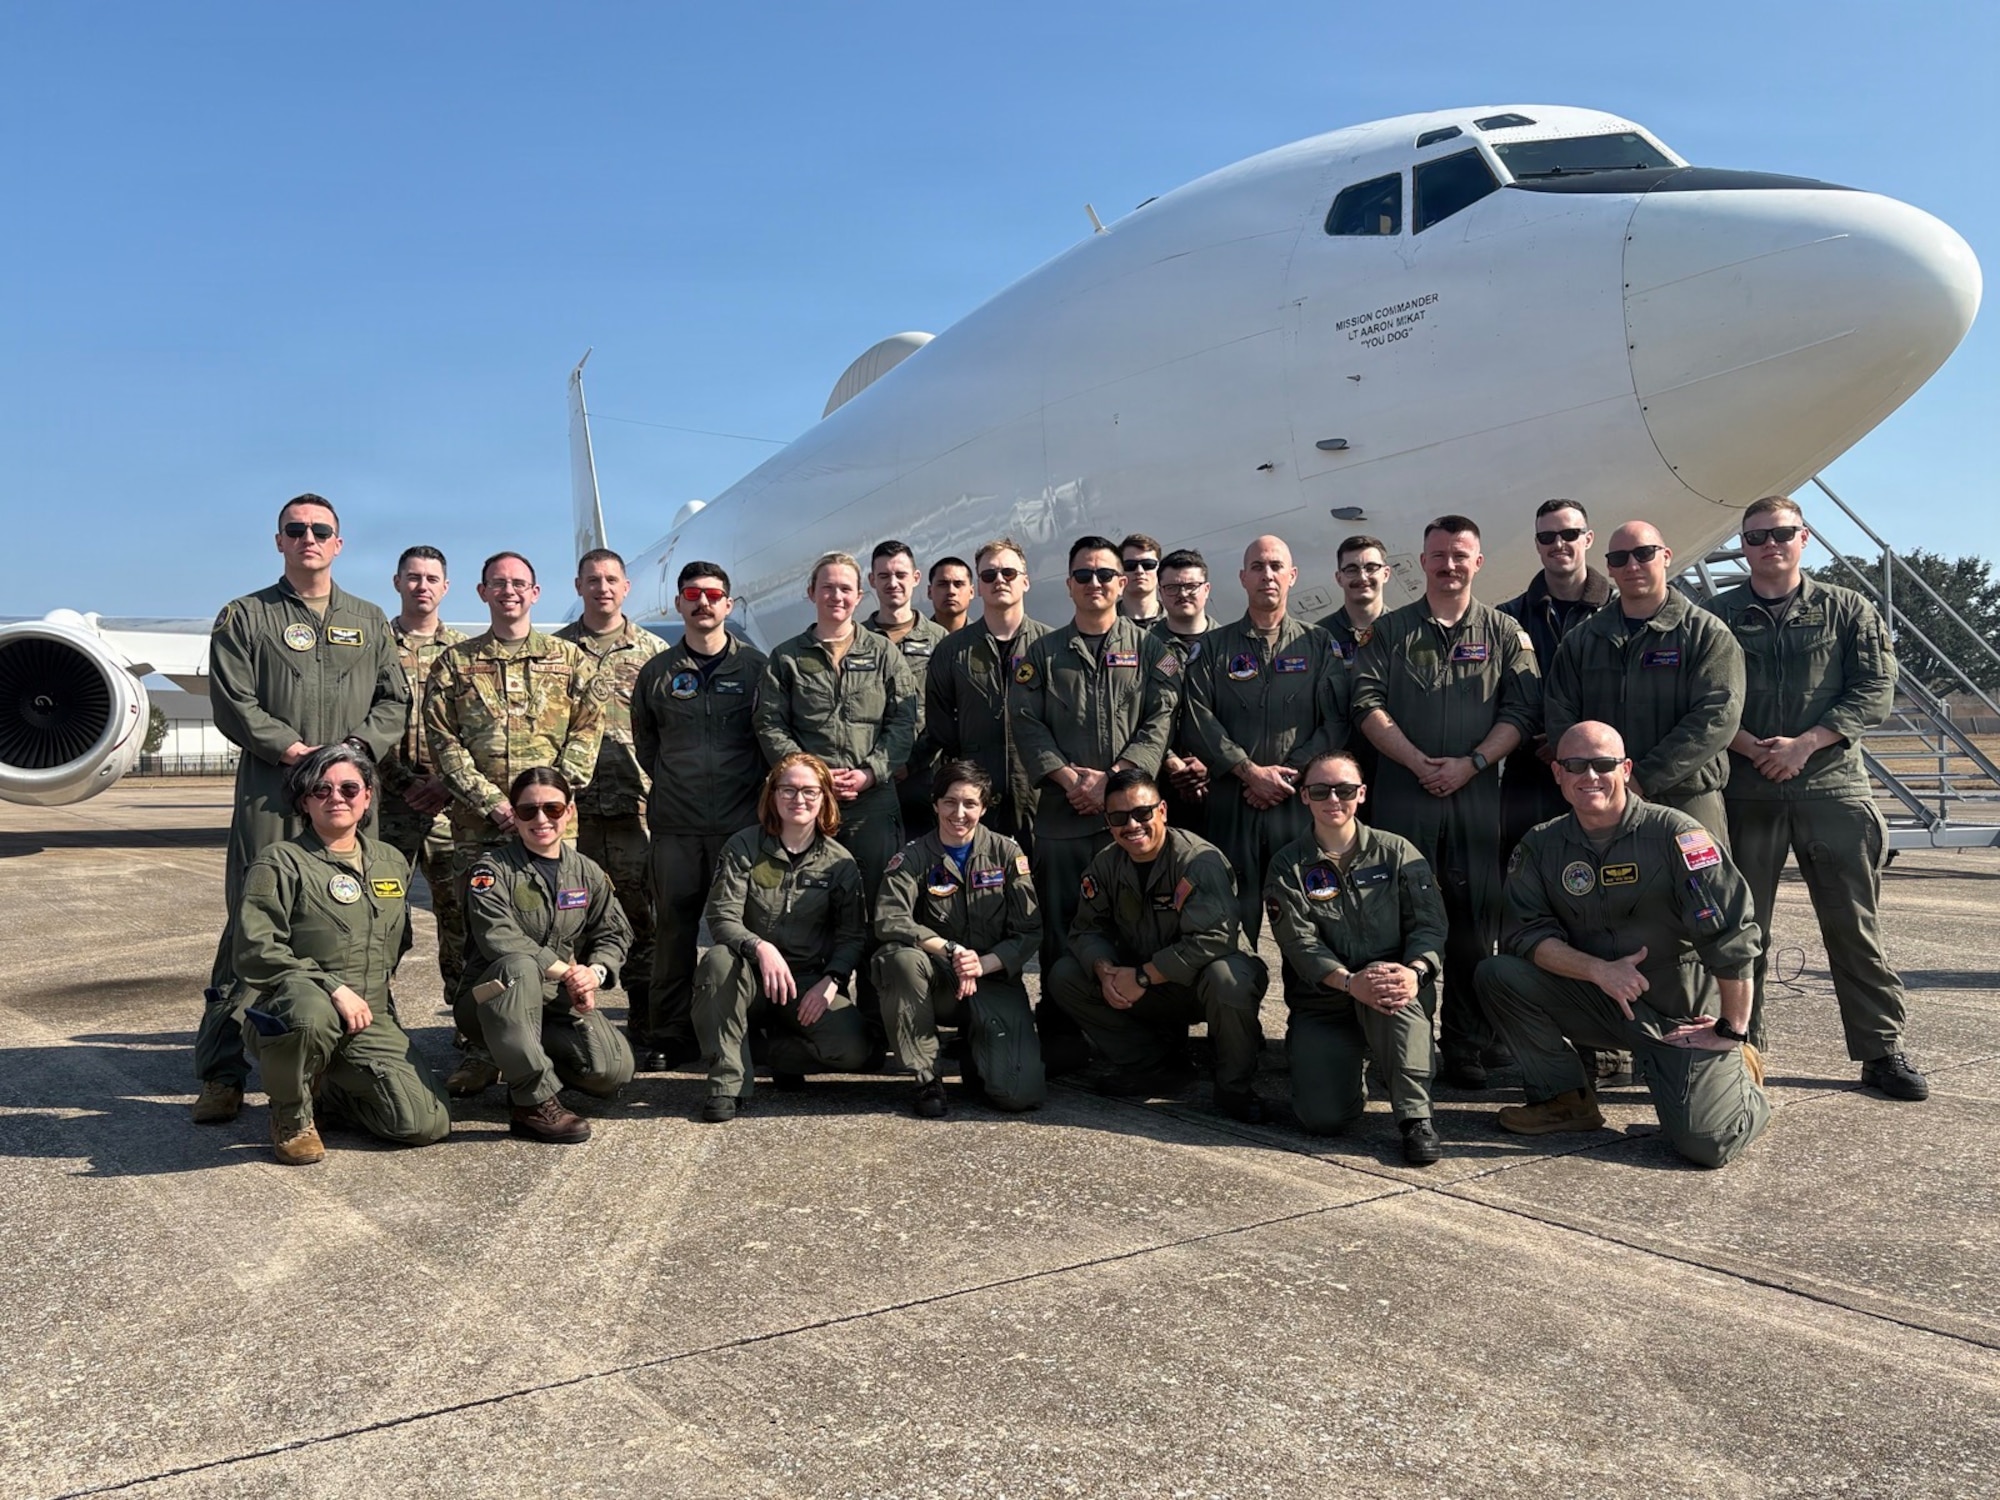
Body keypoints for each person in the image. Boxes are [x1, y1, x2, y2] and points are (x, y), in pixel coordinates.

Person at [193, 494, 408, 1125]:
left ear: (339, 543)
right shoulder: (245, 616)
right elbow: (233, 698)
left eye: (321, 530)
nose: (308, 537)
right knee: (249, 927)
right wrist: (292, 749)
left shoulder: (369, 621)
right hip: (273, 790)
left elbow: (395, 698)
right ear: (279, 540)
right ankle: (222, 1072)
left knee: (357, 919)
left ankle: (351, 1054)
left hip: (346, 794)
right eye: (297, 529)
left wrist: (357, 750)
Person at [1706, 497, 1928, 1099]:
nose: (1769, 544)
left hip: (1830, 785)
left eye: (1781, 533)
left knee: (1853, 924)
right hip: (1748, 787)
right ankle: (1741, 1040)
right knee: (1743, 926)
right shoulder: (1717, 614)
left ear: (1804, 537)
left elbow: (1875, 688)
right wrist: (1754, 748)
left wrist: (1805, 744)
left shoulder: (1846, 608)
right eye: (1756, 537)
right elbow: (1702, 695)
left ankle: (1881, 1048)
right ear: (1744, 546)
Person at [1475, 723, 1772, 1168]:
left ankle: (1741, 1072)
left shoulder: (1677, 835)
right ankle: (1565, 1099)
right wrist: (1599, 970)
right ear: (1557, 772)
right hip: (1601, 1001)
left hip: (1679, 1016)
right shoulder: (1542, 845)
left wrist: (1731, 1028)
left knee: (1707, 1143)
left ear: (1626, 768)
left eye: (1603, 764)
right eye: (1575, 765)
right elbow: (1525, 934)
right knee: (1499, 974)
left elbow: (1733, 934)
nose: (1589, 776)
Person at [1354, 515, 1541, 1090]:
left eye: (1461, 555)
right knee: (1397, 923)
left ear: (1477, 562)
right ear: (1423, 562)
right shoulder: (1389, 632)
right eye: (1439, 555)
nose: (1450, 564)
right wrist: (1415, 761)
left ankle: (1467, 1045)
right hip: (1404, 799)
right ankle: (1402, 1045)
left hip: (1476, 799)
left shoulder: (1506, 632)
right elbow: (1365, 701)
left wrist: (1474, 762)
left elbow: (1522, 710)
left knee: (1471, 926)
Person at [424, 551, 608, 1095]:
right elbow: (445, 745)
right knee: (474, 939)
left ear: (536, 592)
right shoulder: (454, 665)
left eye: (519, 584)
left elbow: (586, 736)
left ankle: (552, 1037)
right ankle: (481, 1046)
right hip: (479, 829)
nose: (509, 591)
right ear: (481, 593)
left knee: (555, 933)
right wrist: (495, 805)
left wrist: (547, 806)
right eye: (498, 584)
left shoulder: (571, 661)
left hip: (552, 830)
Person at [235, 744, 451, 1164]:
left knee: (424, 1124)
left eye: (350, 788)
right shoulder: (281, 862)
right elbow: (255, 949)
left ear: (367, 797)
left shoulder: (390, 860)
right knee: (307, 1013)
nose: (337, 797)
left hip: (367, 1013)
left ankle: (328, 1087)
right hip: (300, 1008)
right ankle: (290, 1114)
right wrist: (332, 986)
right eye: (321, 789)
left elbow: (395, 940)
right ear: (304, 800)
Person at [1012, 535, 1182, 1067]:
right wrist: (1069, 781)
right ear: (1068, 585)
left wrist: (1109, 781)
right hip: (1064, 817)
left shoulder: (1154, 651)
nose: (1095, 584)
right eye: (1083, 575)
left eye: (1105, 574)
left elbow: (1160, 720)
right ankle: (1062, 1033)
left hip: (1130, 820)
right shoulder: (1039, 653)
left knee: (1139, 925)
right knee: (1064, 926)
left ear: (1123, 582)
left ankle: (1148, 1033)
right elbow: (1026, 723)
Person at [1046, 769, 1270, 1121]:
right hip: (1147, 983)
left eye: (1142, 813)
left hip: (1201, 982)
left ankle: (1234, 1087)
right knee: (1066, 975)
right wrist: (1106, 972)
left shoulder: (1198, 861)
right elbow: (1086, 931)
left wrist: (1144, 976)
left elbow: (1214, 939)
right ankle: (1154, 1065)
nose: (1132, 825)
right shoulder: (1106, 864)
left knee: (1229, 978)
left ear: (1162, 810)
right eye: (1119, 817)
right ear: (1108, 821)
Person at [1264, 752, 1446, 1165]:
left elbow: (1430, 927)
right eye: (1320, 790)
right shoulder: (1288, 866)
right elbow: (1300, 945)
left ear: (1361, 794)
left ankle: (1416, 1118)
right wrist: (1349, 982)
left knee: (1392, 992)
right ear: (1304, 797)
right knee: (1323, 1119)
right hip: (1325, 1001)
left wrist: (1416, 971)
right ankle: (1346, 1065)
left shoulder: (1396, 852)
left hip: (1390, 990)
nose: (1334, 798)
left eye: (1344, 789)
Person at [629, 561, 768, 1072]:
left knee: (745, 928)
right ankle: (670, 1033)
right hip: (677, 826)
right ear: (679, 604)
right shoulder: (657, 674)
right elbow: (648, 745)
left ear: (728, 605)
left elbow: (766, 741)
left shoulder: (756, 669)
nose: (703, 602)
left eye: (714, 594)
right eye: (693, 594)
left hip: (741, 826)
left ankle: (747, 1027)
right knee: (675, 932)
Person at [1181, 534, 1348, 942]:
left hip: (1297, 805)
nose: (1267, 575)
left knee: (1308, 920)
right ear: (1242, 578)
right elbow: (1196, 718)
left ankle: (1312, 1004)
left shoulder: (1319, 644)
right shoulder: (1213, 648)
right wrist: (1248, 772)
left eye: (1276, 567)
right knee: (1226, 923)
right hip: (1231, 803)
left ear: (1292, 576)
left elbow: (1336, 721)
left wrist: (1289, 775)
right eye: (1257, 567)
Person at [455, 767, 636, 1143]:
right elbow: (498, 938)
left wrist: (595, 972)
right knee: (520, 965)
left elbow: (615, 931)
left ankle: (520, 1063)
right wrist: (565, 973)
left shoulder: (585, 871)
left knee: (611, 1069)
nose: (541, 819)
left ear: (569, 811)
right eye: (528, 811)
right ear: (514, 815)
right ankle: (532, 1102)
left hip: (551, 999)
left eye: (552, 809)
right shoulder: (491, 872)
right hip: (488, 999)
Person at [692, 753, 872, 1120]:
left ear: (825, 798)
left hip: (804, 981)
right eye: (787, 790)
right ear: (772, 796)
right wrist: (759, 947)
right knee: (717, 960)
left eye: (809, 791)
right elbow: (721, 917)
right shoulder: (743, 847)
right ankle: (726, 1085)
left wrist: (832, 980)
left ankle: (766, 1051)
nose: (798, 799)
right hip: (747, 975)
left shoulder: (840, 862)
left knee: (855, 1050)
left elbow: (853, 935)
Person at [1544, 520, 1742, 840]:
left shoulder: (1707, 635)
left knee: (1703, 887)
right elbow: (1559, 713)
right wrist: (1598, 776)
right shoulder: (1582, 641)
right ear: (1609, 568)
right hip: (1604, 798)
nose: (1632, 565)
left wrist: (1642, 779)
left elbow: (1716, 718)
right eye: (1619, 558)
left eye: (1644, 553)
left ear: (1666, 556)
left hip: (1686, 797)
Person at [873, 760, 1044, 1116]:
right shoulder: (913, 857)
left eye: (970, 803)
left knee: (1019, 1096)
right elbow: (890, 919)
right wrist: (950, 950)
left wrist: (981, 964)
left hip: (993, 979)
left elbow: (1028, 931)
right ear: (935, 804)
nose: (959, 813)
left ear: (984, 807)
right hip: (940, 982)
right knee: (898, 959)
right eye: (950, 801)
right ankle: (926, 1079)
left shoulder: (1007, 854)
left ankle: (975, 1050)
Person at [556, 548, 666, 1027]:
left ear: (626, 588)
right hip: (569, 811)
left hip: (634, 806)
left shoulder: (654, 654)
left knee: (641, 912)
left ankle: (644, 1010)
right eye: (592, 579)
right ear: (578, 586)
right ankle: (571, 1011)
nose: (602, 587)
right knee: (568, 914)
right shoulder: (555, 652)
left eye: (611, 580)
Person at [1497, 501, 1612, 863]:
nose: (1558, 543)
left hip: (1600, 772)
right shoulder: (1507, 619)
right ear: (1537, 544)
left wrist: (1569, 740)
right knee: (1525, 876)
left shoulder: (1618, 614)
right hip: (1530, 771)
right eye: (1547, 536)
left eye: (1569, 534)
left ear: (1588, 538)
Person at [376, 545, 467, 992]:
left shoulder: (464, 654)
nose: (422, 586)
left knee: (459, 914)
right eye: (413, 577)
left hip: (447, 809)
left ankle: (466, 1012)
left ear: (445, 588)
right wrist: (404, 782)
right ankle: (375, 1007)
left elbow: (472, 729)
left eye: (432, 579)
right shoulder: (374, 648)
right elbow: (363, 722)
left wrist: (443, 784)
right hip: (387, 807)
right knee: (384, 911)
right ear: (397, 583)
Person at [926, 538, 1052, 845]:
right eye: (988, 575)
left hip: (1041, 797)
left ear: (1025, 581)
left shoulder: (1051, 647)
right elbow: (941, 729)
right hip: (975, 801)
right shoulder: (952, 651)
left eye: (1008, 573)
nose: (999, 580)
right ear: (978, 587)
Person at [862, 540, 952, 839]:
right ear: (872, 580)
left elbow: (948, 710)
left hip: (926, 778)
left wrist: (910, 763)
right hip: (870, 778)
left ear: (915, 578)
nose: (893, 583)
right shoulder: (856, 640)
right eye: (884, 576)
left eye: (900, 575)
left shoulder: (941, 641)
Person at [1315, 534, 1395, 791]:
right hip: (1337, 777)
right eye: (1351, 569)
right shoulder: (1318, 638)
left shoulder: (1406, 633)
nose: (1362, 577)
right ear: (1339, 578)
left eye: (1371, 567)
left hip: (1395, 768)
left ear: (1386, 573)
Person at [1152, 547, 1215, 838]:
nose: (1183, 594)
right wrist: (1171, 762)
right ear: (1160, 592)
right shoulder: (1143, 648)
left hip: (1223, 782)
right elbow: (1131, 713)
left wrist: (1213, 761)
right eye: (1172, 587)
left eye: (1191, 586)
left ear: (1206, 589)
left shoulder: (1231, 645)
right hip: (1160, 781)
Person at [1118, 532, 1165, 622]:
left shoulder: (1178, 620)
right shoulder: (1102, 622)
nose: (1139, 571)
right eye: (1130, 565)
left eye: (1148, 564)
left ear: (1160, 569)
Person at [927, 556, 974, 633]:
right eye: (943, 584)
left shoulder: (987, 640)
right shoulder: (913, 641)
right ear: (929, 591)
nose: (951, 591)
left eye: (958, 584)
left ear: (971, 592)